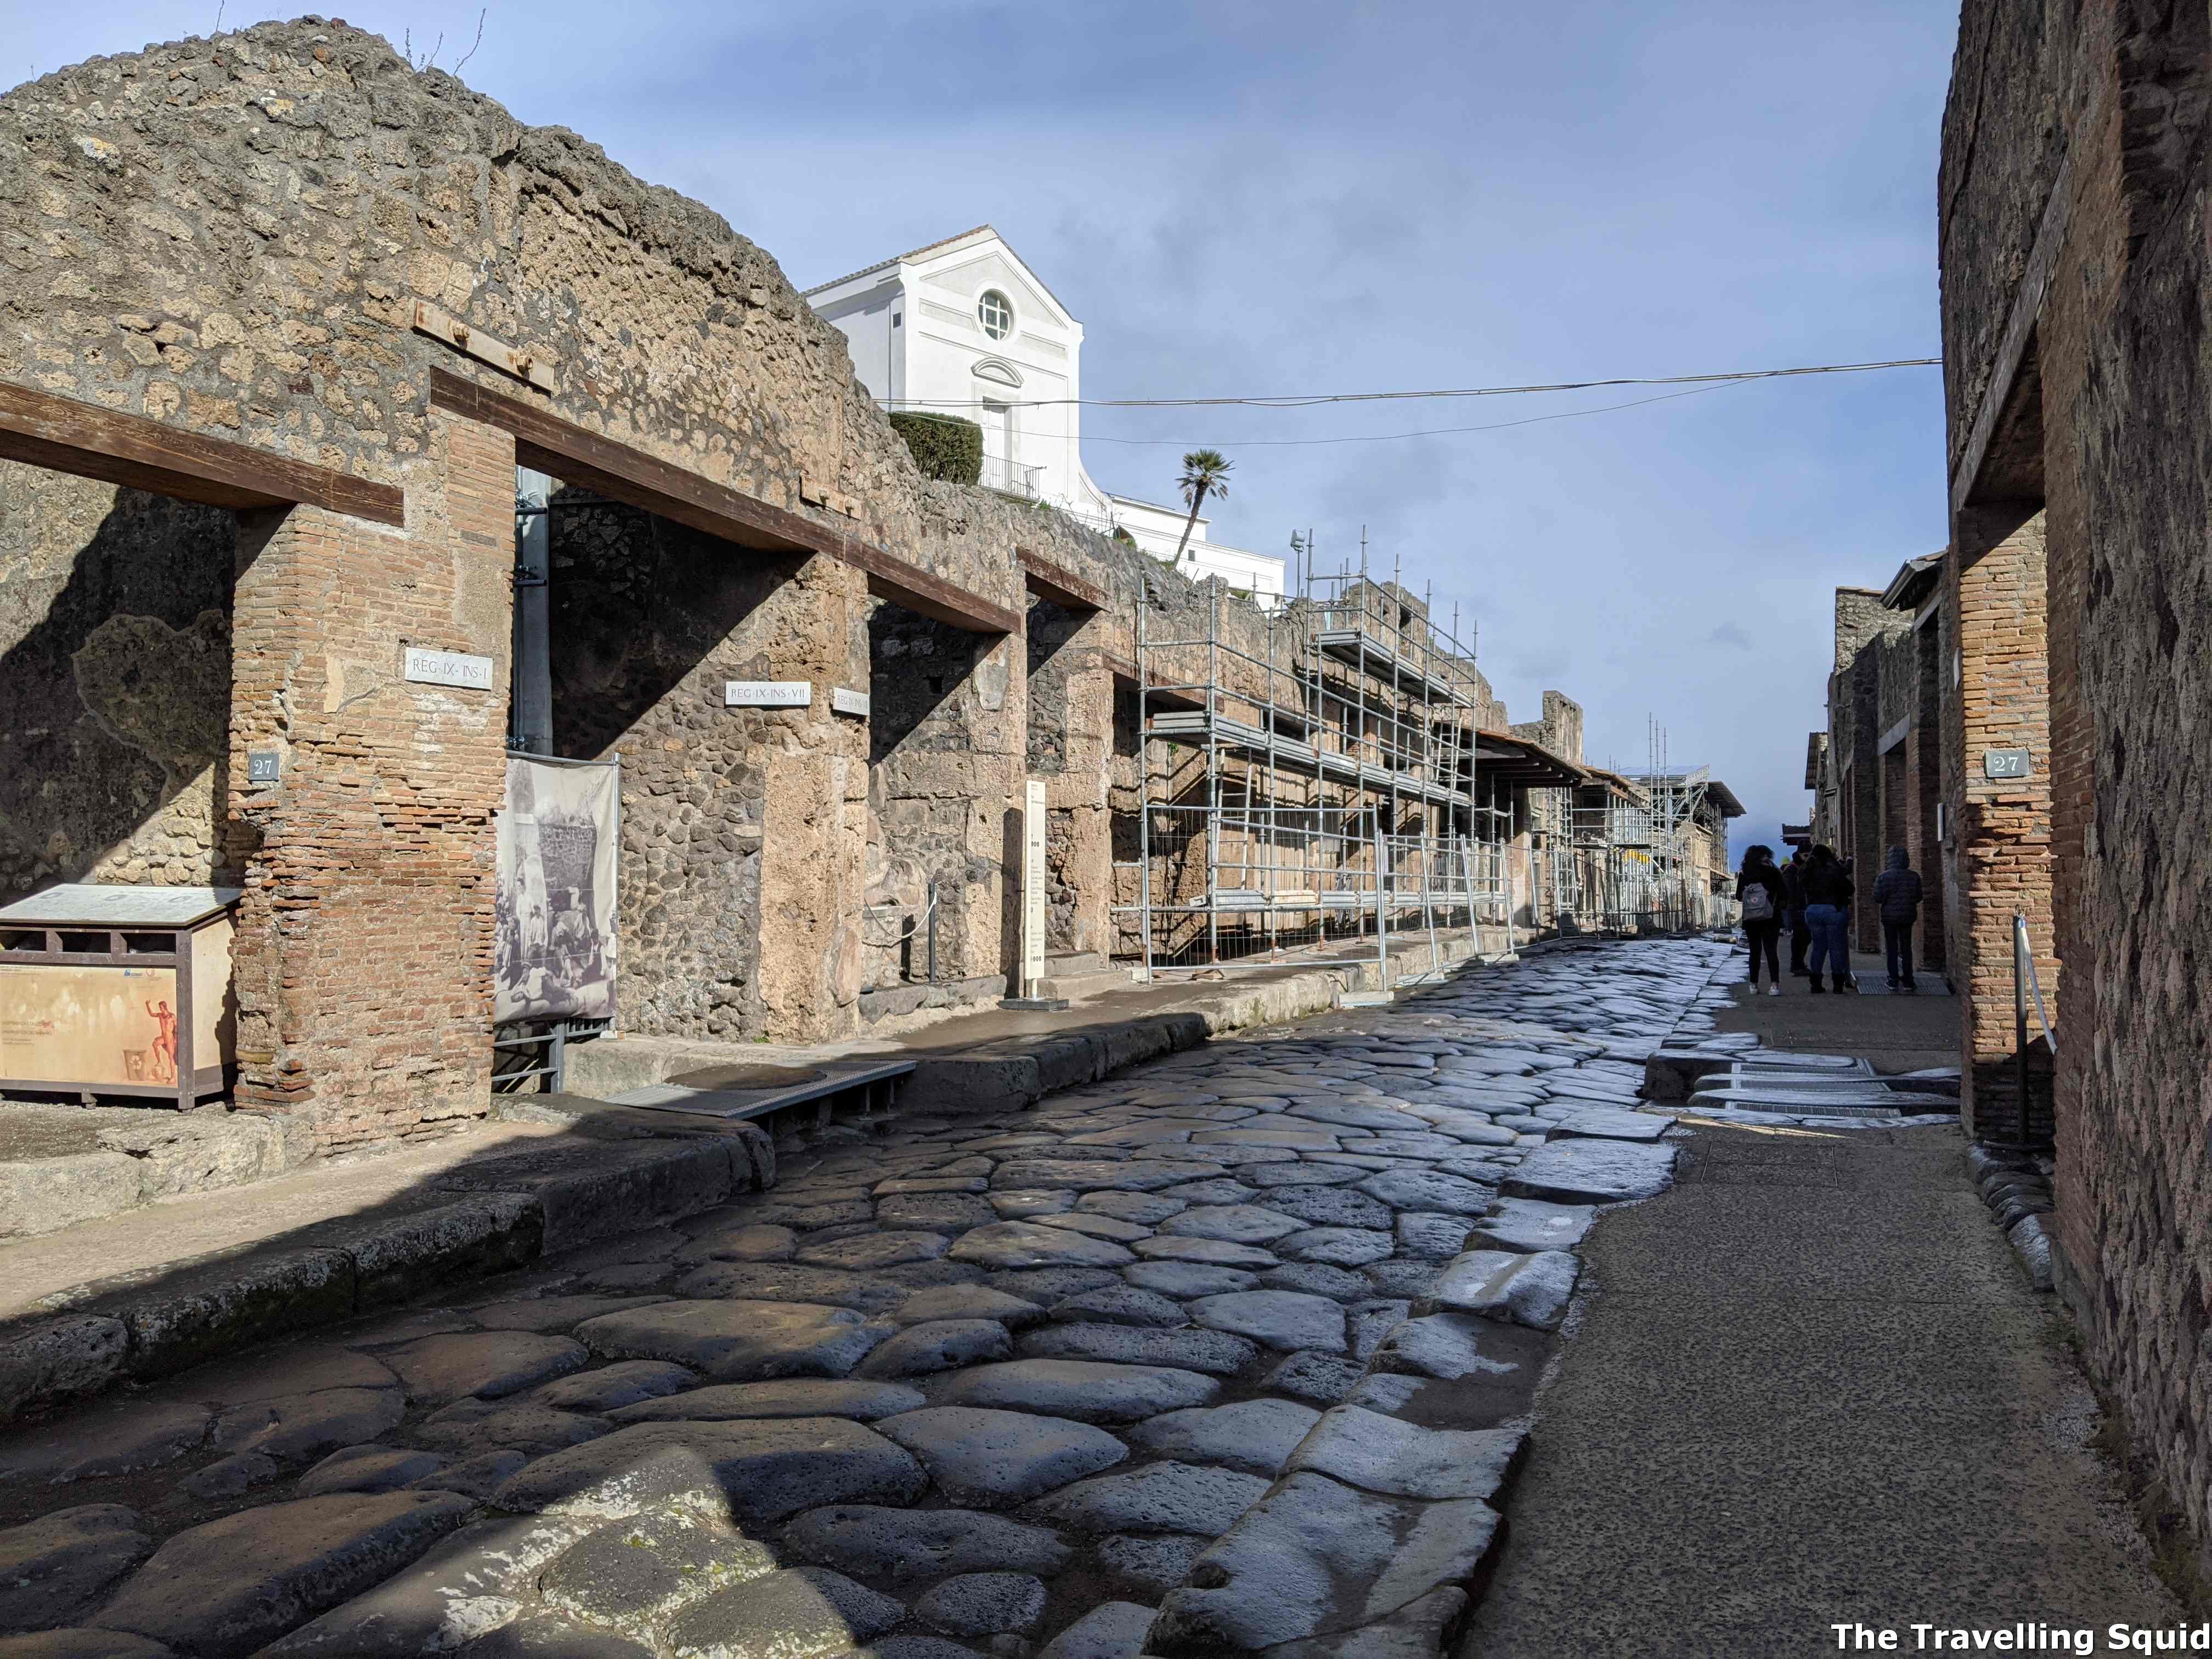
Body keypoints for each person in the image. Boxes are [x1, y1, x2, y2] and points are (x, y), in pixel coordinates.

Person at [1800, 844, 1856, 992]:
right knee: (1836, 948)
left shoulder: (1807, 870)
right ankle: (1838, 984)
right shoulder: (1834, 869)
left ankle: (1816, 984)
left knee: (1818, 948)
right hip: (1834, 910)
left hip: (1813, 911)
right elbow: (1850, 889)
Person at [1872, 845, 1925, 991]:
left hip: (1889, 917)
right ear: (1906, 859)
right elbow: (1919, 896)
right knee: (1906, 948)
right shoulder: (1914, 876)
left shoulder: (1883, 877)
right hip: (1908, 916)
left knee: (1892, 948)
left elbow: (1877, 897)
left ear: (1890, 860)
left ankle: (1893, 979)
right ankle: (1908, 980)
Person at [1735, 845, 1785, 996]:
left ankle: (1753, 985)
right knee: (1771, 951)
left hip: (1751, 918)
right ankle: (1775, 986)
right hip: (1771, 917)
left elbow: (1738, 896)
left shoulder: (1745, 873)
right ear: (1766, 857)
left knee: (1755, 952)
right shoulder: (1774, 872)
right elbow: (1784, 894)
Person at [1782, 847, 1810, 977]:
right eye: (1806, 854)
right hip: (1797, 909)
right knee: (1800, 938)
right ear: (1799, 854)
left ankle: (1799, 963)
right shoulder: (1792, 870)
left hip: (1803, 907)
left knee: (1805, 938)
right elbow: (1790, 891)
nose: (1808, 857)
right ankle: (1797, 965)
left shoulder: (1804, 866)